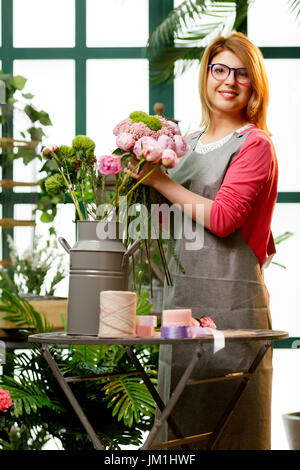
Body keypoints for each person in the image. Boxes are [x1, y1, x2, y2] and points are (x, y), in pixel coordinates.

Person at [127, 32, 278, 450]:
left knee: (230, 431)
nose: (229, 80)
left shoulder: (255, 145)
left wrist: (158, 180)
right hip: (179, 311)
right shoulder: (183, 146)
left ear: (254, 84)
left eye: (242, 73)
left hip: (233, 313)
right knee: (176, 438)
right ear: (206, 76)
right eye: (220, 69)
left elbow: (226, 218)